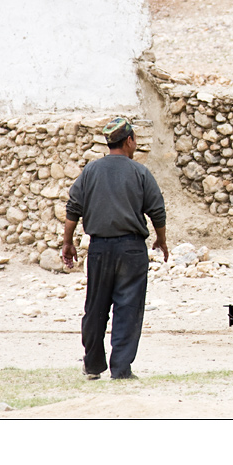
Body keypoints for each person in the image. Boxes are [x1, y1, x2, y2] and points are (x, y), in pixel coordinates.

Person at [61, 117, 169, 380]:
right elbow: (157, 211)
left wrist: (67, 242)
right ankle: (121, 369)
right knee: (128, 309)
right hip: (132, 250)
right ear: (129, 140)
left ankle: (93, 366)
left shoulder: (90, 171)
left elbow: (73, 208)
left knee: (95, 307)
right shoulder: (140, 172)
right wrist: (161, 240)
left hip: (99, 249)